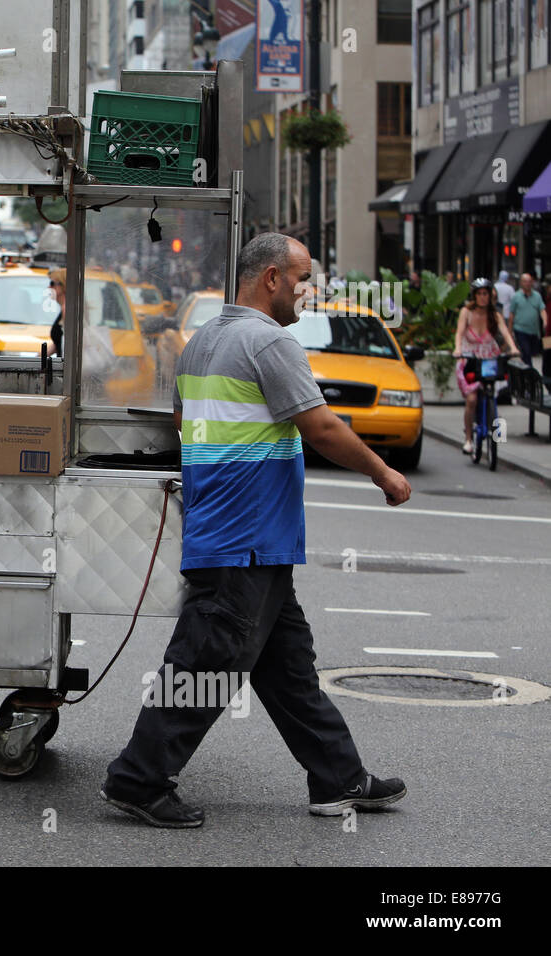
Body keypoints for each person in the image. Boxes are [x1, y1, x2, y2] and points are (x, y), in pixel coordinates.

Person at [100, 232, 412, 829]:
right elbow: (319, 427)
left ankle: (338, 778)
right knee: (205, 666)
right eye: (302, 278)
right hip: (242, 541)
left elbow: (183, 424)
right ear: (270, 278)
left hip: (243, 538)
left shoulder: (201, 343)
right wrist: (383, 473)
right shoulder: (270, 344)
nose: (307, 290)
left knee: (289, 669)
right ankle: (138, 778)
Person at [453, 278, 519, 454]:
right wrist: (458, 349)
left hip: (490, 359)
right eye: (480, 294)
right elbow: (459, 333)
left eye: (486, 294)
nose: (483, 297)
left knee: (494, 397)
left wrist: (513, 348)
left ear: (490, 296)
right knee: (472, 399)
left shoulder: (495, 315)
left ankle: (497, 436)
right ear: (475, 296)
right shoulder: (466, 312)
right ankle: (468, 438)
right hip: (471, 359)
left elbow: (505, 333)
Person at [509, 273, 548, 371]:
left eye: (530, 281)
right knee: (526, 352)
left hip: (534, 331)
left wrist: (545, 321)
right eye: (525, 281)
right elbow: (511, 315)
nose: (528, 284)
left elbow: (542, 309)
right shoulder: (516, 296)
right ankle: (529, 372)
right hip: (520, 329)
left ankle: (525, 370)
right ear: (521, 283)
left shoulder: (537, 296)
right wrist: (509, 331)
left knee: (532, 352)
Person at [47, 267, 66, 356]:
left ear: (63, 285)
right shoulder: (66, 308)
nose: (49, 287)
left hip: (67, 366)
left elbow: (69, 343)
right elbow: (59, 341)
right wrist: (38, 359)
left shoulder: (67, 310)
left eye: (52, 283)